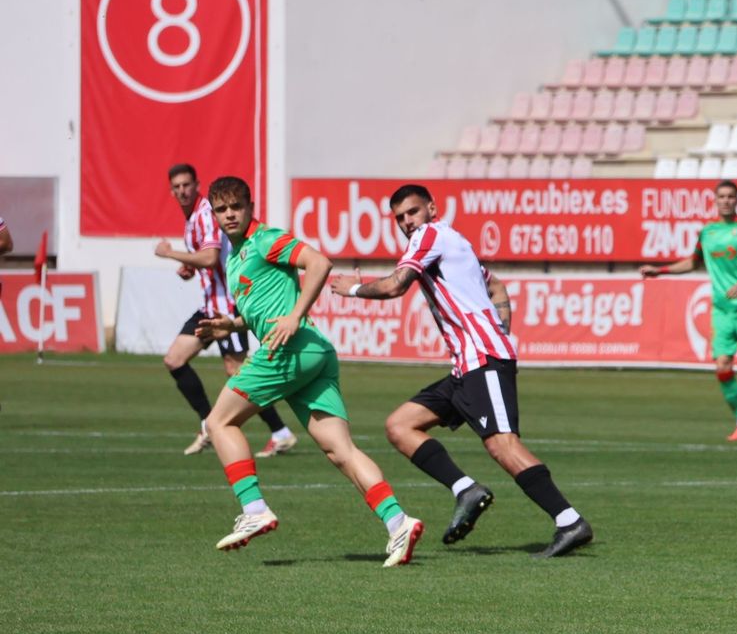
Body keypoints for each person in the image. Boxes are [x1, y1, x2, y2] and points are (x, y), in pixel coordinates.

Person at [328, 184, 593, 558]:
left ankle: (569, 520)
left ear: (431, 209)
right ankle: (466, 489)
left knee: (502, 445)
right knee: (400, 426)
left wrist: (352, 289)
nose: (407, 223)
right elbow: (495, 284)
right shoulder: (454, 241)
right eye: (400, 217)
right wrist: (501, 329)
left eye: (413, 212)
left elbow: (395, 286)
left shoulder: (429, 235)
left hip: (482, 359)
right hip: (466, 364)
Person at [196, 176, 425, 567]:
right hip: (312, 353)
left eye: (236, 206)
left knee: (218, 423)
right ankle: (399, 523)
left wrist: (294, 316)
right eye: (222, 209)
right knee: (341, 451)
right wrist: (231, 325)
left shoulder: (266, 239)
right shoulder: (233, 259)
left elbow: (319, 263)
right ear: (214, 215)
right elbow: (264, 307)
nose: (230, 214)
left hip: (289, 349)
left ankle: (254, 509)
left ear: (250, 207)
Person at [638, 179, 737, 441]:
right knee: (722, 365)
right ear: (715, 201)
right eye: (721, 197)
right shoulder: (708, 232)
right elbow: (693, 263)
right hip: (722, 311)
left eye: (730, 197)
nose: (726, 200)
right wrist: (660, 270)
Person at [155, 164, 296, 457]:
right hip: (209, 303)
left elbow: (209, 257)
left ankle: (279, 431)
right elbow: (208, 260)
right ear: (171, 191)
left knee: (238, 371)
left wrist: (171, 254)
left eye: (186, 185)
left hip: (225, 306)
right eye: (176, 187)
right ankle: (209, 423)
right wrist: (188, 266)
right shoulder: (193, 218)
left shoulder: (207, 213)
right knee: (175, 359)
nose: (182, 191)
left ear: (197, 185)